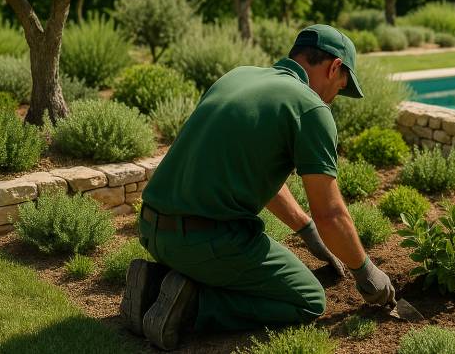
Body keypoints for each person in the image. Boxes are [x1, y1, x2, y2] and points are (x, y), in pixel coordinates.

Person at [120, 24, 396, 350]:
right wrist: (366, 272)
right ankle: (190, 307)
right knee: (307, 299)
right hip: (204, 240)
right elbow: (331, 213)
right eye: (341, 85)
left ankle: (154, 284)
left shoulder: (239, 76)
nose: (335, 97)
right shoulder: (311, 108)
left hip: (153, 229)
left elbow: (261, 178)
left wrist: (308, 233)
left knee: (236, 265)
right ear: (335, 66)